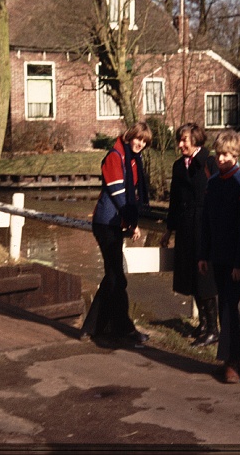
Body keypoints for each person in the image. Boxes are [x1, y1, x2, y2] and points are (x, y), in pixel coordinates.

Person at [80, 121, 153, 344]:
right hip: (106, 222)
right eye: (138, 138)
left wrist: (131, 221)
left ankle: (93, 328)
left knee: (114, 276)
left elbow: (131, 197)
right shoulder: (116, 156)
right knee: (117, 277)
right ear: (129, 136)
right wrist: (132, 222)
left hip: (115, 222)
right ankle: (124, 329)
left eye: (144, 141)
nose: (140, 143)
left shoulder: (132, 159)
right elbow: (118, 192)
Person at [197, 130, 240, 383]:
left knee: (230, 307)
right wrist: (202, 254)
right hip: (216, 255)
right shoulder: (212, 184)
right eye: (218, 154)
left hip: (233, 259)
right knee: (224, 306)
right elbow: (206, 223)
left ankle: (232, 361)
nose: (221, 159)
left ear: (236, 155)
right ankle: (238, 357)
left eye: (227, 155)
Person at [160, 122, 219, 346]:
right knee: (191, 275)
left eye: (184, 140)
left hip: (204, 227)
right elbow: (174, 200)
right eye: (179, 140)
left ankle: (214, 329)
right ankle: (202, 325)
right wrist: (169, 230)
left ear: (195, 139)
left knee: (205, 277)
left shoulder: (209, 162)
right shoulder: (177, 166)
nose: (180, 144)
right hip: (185, 227)